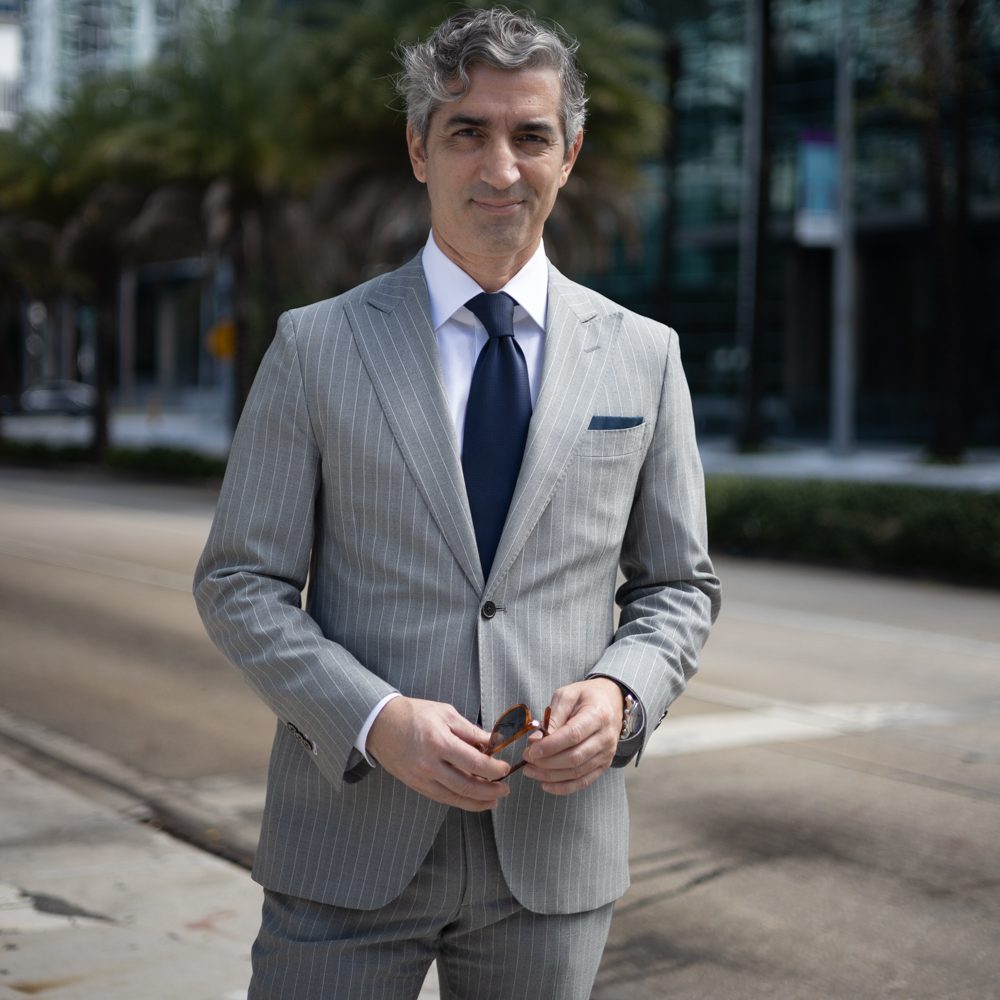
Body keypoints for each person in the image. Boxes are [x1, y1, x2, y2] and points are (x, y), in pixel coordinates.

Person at [194, 7, 720, 998]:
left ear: (568, 153)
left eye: (528, 135)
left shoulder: (647, 356)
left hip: (551, 856)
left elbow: (678, 586)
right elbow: (239, 582)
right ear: (418, 150)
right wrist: (375, 717)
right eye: (466, 130)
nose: (500, 167)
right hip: (348, 844)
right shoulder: (315, 345)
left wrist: (619, 695)